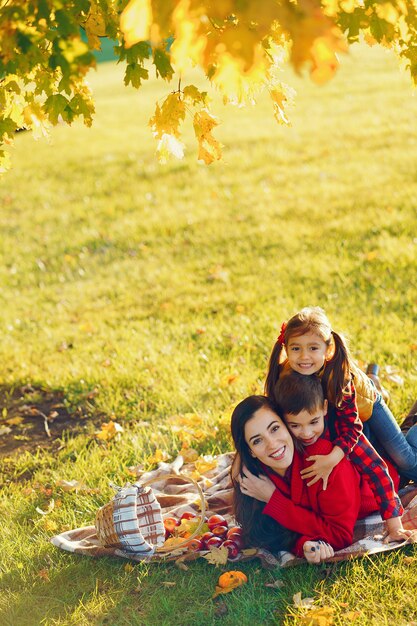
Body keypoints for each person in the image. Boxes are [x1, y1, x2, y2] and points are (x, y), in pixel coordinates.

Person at [264, 306, 417, 538]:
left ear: (328, 349)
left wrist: (334, 456)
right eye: (296, 348)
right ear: (286, 349)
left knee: (407, 462)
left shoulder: (340, 380)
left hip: (366, 403)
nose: (304, 357)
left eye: (313, 348)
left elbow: (356, 434)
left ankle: (389, 399)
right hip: (336, 415)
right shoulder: (284, 380)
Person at [230, 395, 406, 565]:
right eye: (257, 441)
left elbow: (339, 535)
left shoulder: (323, 461)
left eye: (275, 428)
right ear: (250, 451)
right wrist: (305, 545)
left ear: (286, 425)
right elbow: (278, 534)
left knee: (408, 452)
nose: (272, 444)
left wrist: (273, 499)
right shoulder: (256, 478)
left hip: (392, 465)